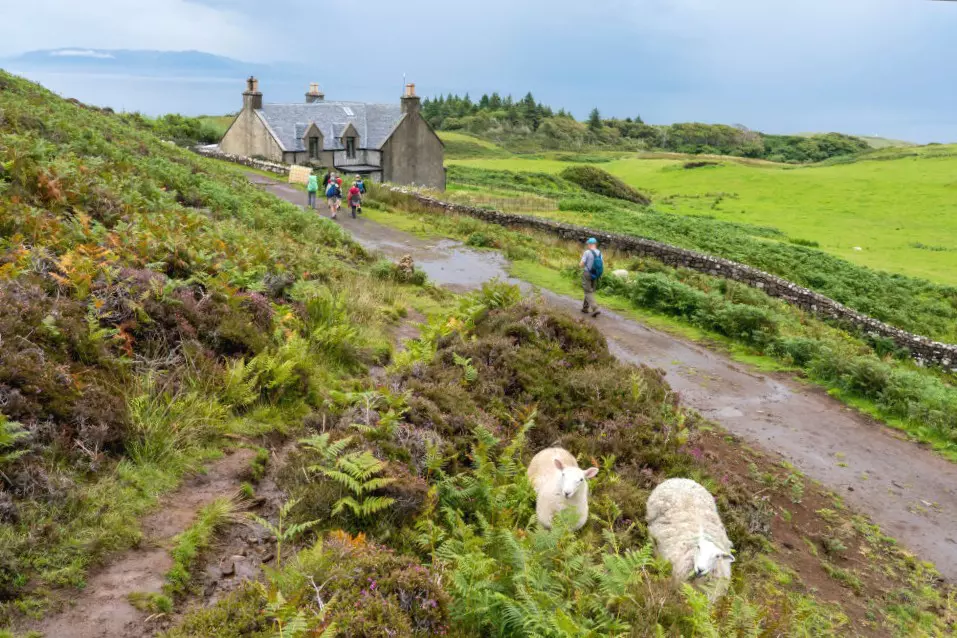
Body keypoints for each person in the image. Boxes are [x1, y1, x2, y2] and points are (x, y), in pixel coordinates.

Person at [579, 237, 603, 317]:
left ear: (590, 244)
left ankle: (595, 308)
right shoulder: (599, 253)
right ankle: (585, 308)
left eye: (588, 244)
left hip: (587, 273)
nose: (587, 245)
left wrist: (580, 264)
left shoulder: (587, 252)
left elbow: (581, 264)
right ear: (595, 244)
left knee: (587, 291)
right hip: (596, 274)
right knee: (590, 291)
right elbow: (601, 265)